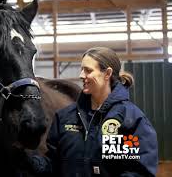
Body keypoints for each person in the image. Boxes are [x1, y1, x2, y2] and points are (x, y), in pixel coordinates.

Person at [26, 47, 158, 177]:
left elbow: (140, 170)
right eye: (82, 69)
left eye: (88, 70)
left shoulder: (131, 120)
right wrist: (31, 161)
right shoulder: (65, 117)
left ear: (107, 74)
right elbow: (54, 163)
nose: (81, 75)